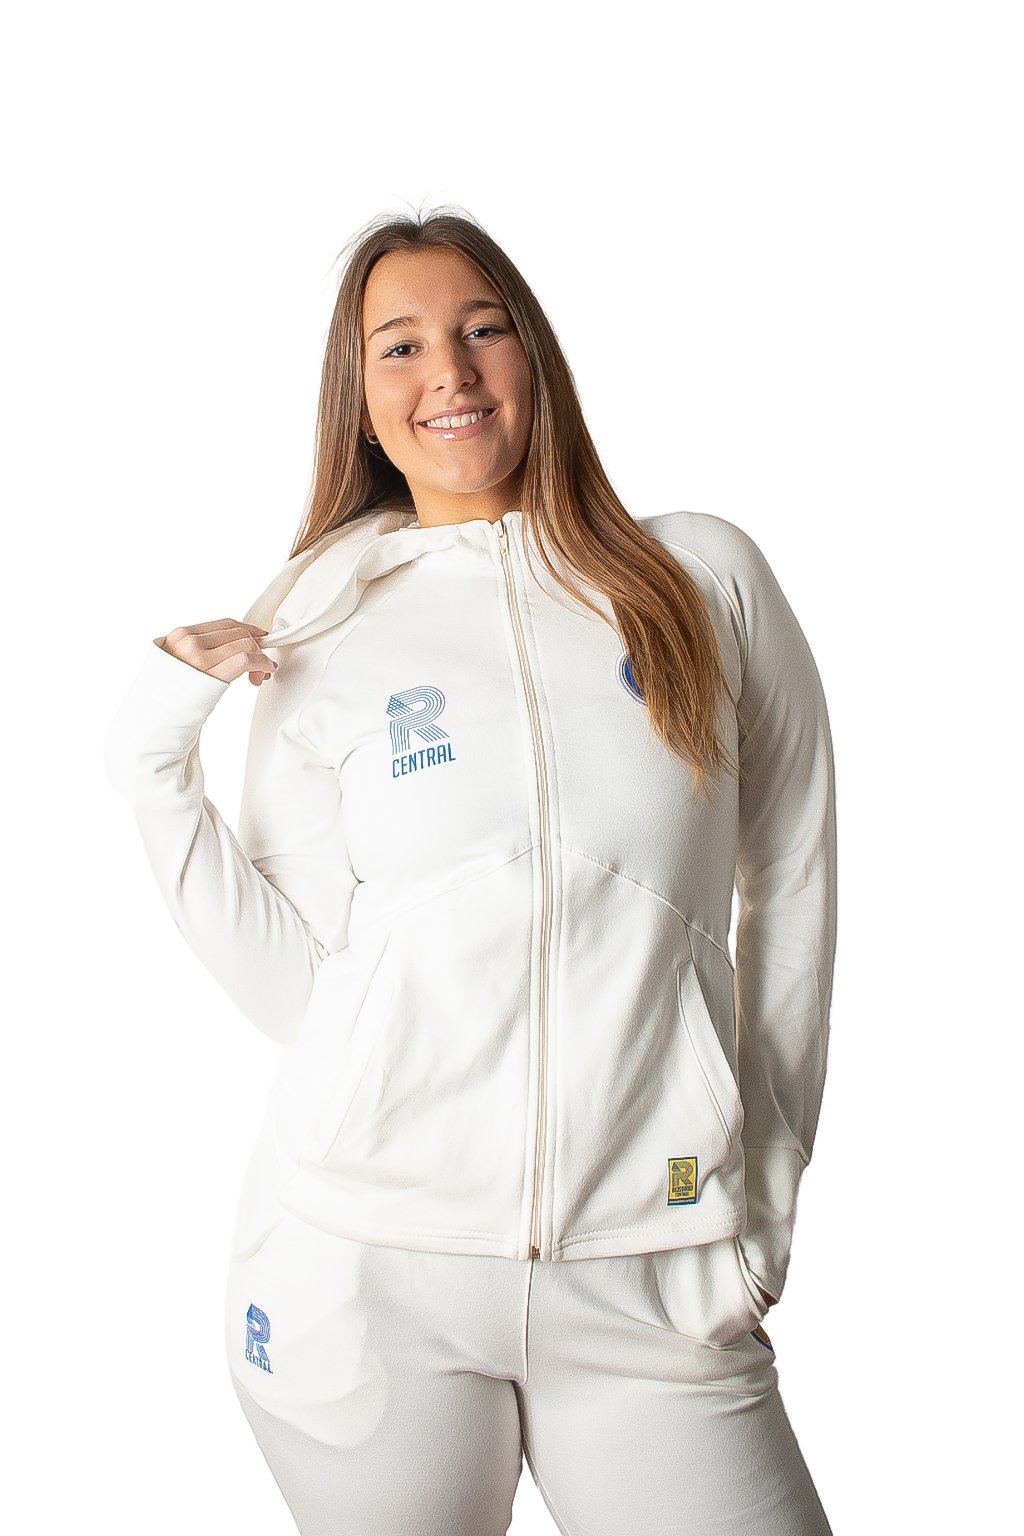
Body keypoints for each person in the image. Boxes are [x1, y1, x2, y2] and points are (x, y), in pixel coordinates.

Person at [103, 207, 838, 1535]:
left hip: (653, 1264)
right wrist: (151, 756)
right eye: (400, 345)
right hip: (367, 1277)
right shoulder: (321, 619)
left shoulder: (698, 578)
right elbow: (301, 992)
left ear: (534, 355)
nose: (447, 369)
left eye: (482, 328)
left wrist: (764, 1195)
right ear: (360, 398)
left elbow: (789, 883)